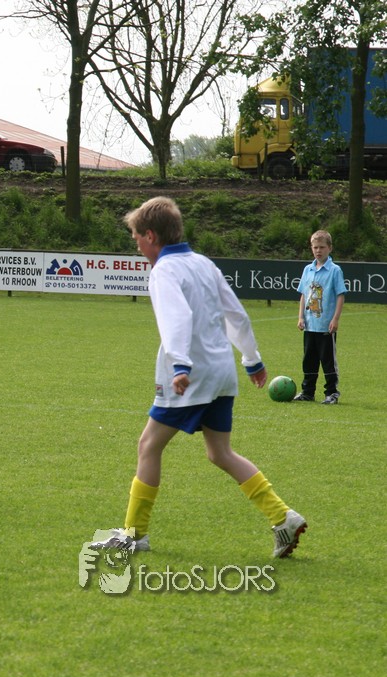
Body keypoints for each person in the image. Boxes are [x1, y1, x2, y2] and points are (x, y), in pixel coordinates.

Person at [93, 196, 307, 559]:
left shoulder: (164, 270)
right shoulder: (204, 263)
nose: (136, 245)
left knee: (149, 446)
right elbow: (235, 313)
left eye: (136, 238)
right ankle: (282, 517)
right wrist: (252, 359)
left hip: (191, 374)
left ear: (150, 235)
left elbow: (176, 317)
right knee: (220, 452)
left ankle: (134, 534)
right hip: (221, 372)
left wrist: (180, 365)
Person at [295, 230, 345, 404]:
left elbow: (340, 295)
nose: (318, 250)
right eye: (315, 247)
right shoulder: (307, 269)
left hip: (325, 325)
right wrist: (301, 317)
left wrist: (335, 319)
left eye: (322, 247)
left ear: (329, 248)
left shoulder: (335, 270)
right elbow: (304, 294)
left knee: (328, 361)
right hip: (310, 324)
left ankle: (332, 393)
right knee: (309, 360)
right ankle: (307, 392)